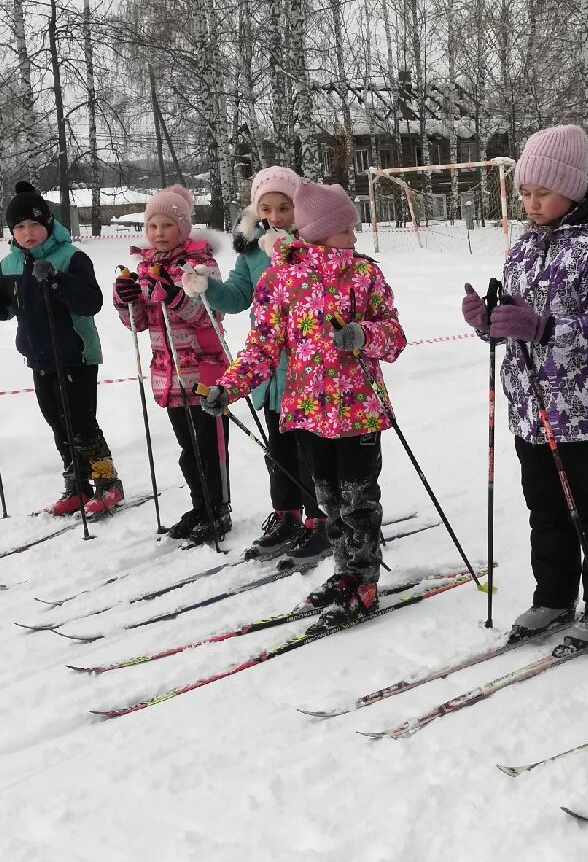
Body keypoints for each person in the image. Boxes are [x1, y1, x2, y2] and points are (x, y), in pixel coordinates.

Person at [201, 180, 406, 627]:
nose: (354, 238)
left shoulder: (364, 273)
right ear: (318, 230)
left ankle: (363, 578)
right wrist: (229, 387)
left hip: (358, 409)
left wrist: (365, 335)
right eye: (346, 230)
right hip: (309, 411)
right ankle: (343, 572)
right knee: (329, 500)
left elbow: (394, 336)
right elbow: (261, 347)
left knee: (359, 501)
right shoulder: (278, 279)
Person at [462, 123, 588, 647]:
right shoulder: (525, 247)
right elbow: (516, 315)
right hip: (530, 407)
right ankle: (554, 597)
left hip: (585, 409)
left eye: (542, 192)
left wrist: (542, 327)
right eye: (525, 194)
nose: (531, 204)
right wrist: (491, 320)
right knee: (545, 507)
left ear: (572, 188)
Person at [181, 166, 330, 567]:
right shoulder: (251, 250)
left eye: (285, 207)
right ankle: (286, 516)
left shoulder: (314, 245)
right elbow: (236, 297)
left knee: (309, 453)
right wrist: (207, 287)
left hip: (309, 368)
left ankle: (321, 521)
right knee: (278, 451)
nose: (277, 216)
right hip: (268, 369)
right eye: (268, 208)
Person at [0, 181, 122, 515]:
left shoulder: (71, 258)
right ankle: (77, 483)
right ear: (12, 232)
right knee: (57, 422)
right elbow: (5, 310)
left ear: (48, 225)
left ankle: (107, 482)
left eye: (35, 224)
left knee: (80, 422)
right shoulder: (10, 266)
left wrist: (57, 280)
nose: (28, 232)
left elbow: (91, 302)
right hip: (39, 357)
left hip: (75, 355)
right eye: (19, 226)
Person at [113, 184, 230, 544]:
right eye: (153, 226)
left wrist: (177, 295)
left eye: (166, 225)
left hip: (204, 372)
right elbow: (139, 323)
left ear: (182, 227)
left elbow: (210, 313)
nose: (159, 233)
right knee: (188, 450)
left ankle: (218, 509)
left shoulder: (201, 263)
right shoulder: (145, 268)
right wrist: (125, 300)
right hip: (168, 374)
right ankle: (200, 505)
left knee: (210, 448)